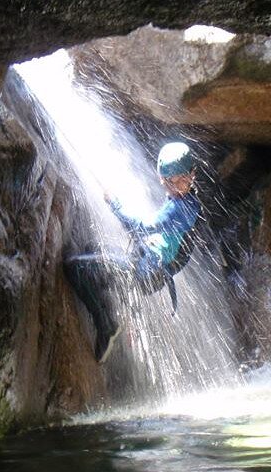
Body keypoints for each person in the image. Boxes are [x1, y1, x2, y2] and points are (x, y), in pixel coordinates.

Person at [64, 141, 201, 363]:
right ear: (161, 179)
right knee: (93, 250)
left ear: (193, 174)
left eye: (182, 180)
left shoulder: (184, 209)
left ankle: (107, 326)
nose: (175, 187)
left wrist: (115, 205)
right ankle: (115, 309)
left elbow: (144, 227)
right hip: (147, 264)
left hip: (147, 274)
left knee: (75, 267)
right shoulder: (181, 199)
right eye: (169, 182)